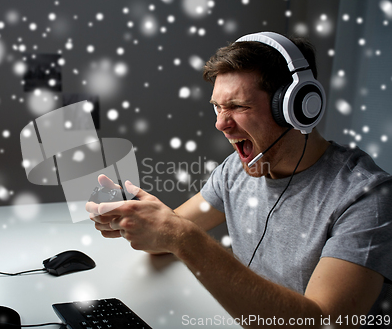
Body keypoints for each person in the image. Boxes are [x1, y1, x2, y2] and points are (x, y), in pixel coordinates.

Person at [86, 32, 392, 328]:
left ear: (297, 107)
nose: (220, 123)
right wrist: (137, 217)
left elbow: (323, 324)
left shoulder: (366, 197)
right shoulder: (235, 170)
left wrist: (183, 237)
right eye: (218, 107)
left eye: (238, 106)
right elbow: (166, 238)